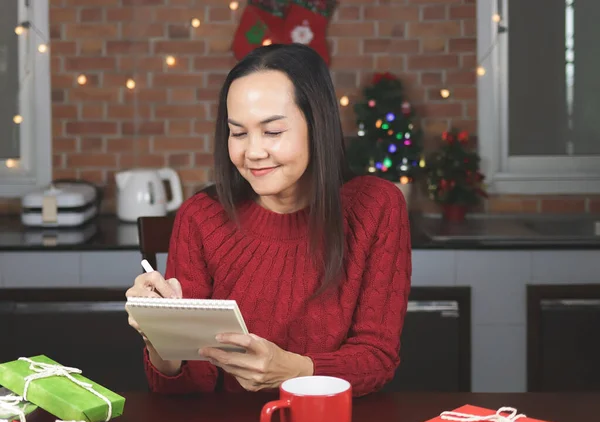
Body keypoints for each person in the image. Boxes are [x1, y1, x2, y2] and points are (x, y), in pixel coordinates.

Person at [125, 43, 412, 397]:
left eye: (273, 132)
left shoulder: (376, 206)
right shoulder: (201, 216)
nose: (254, 152)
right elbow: (186, 392)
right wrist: (161, 339)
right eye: (239, 133)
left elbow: (377, 358)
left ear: (316, 124)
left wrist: (294, 370)